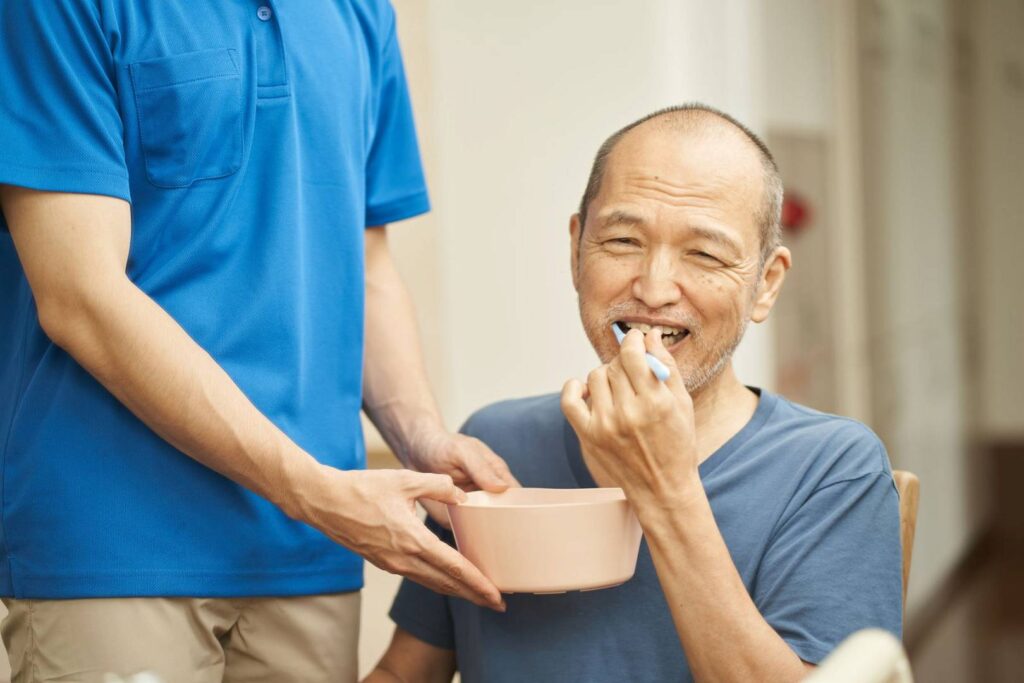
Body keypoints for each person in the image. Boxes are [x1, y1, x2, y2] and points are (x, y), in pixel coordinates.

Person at [0, 2, 515, 681]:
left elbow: (365, 269)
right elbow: (80, 298)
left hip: (310, 549)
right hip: (118, 542)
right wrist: (315, 491)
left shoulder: (362, 14)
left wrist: (422, 433)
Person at [367, 104, 903, 683]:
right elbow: (405, 672)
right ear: (576, 250)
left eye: (704, 254)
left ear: (765, 284)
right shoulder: (494, 447)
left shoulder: (830, 469)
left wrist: (666, 489)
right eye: (623, 240)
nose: (652, 288)